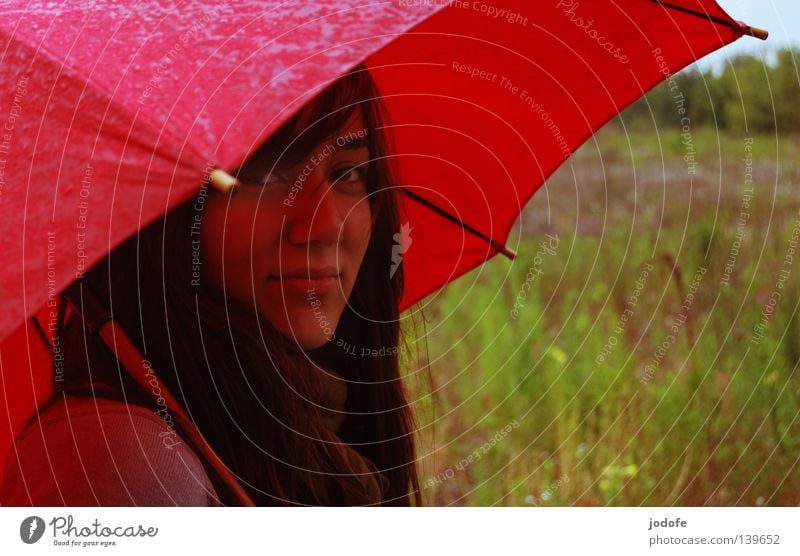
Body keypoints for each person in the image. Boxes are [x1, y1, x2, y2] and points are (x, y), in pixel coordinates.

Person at [0, 64, 424, 506]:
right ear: (167, 214)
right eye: (263, 174)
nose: (325, 225)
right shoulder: (125, 461)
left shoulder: (315, 437)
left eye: (347, 173)